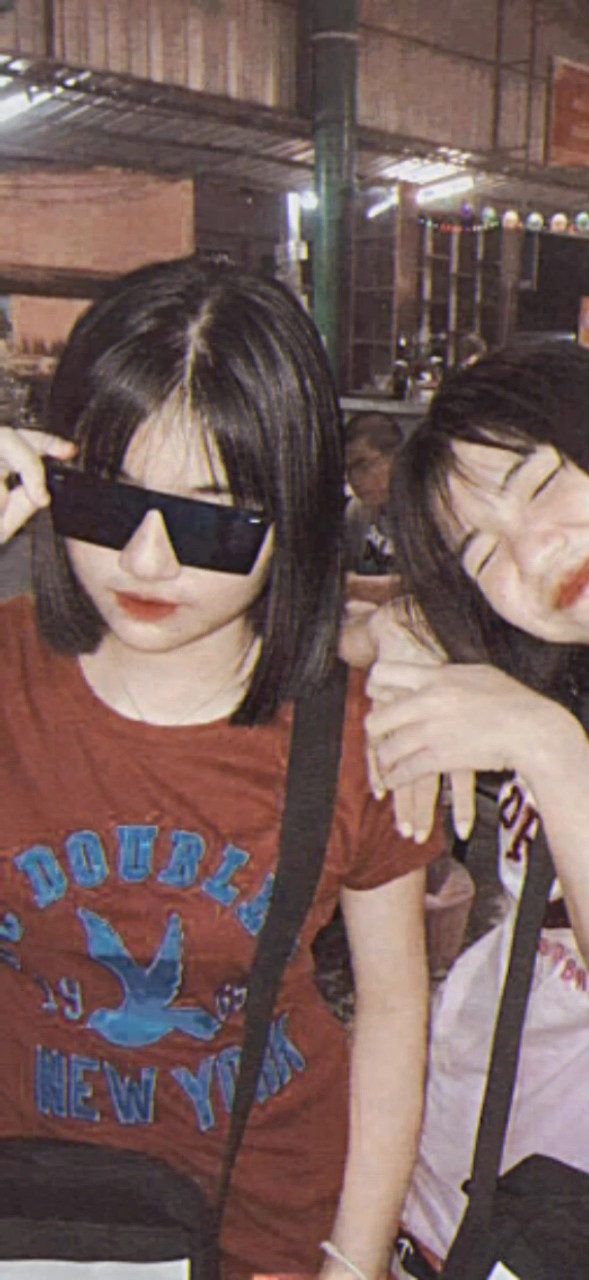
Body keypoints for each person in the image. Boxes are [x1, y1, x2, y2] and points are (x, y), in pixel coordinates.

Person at [0, 257, 439, 1280]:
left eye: (211, 519)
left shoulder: (358, 725)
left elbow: (391, 1009)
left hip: (266, 1221)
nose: (147, 562)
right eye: (106, 501)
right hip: (36, 1212)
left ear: (293, 517)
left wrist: (354, 1258)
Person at [365, 341, 589, 1264]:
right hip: (442, 1199)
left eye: (541, 483)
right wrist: (399, 631)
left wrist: (553, 759)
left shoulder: (563, 727)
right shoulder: (582, 680)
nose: (534, 550)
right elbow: (338, 629)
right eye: (483, 552)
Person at [344, 412, 402, 607]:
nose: (354, 480)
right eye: (348, 470)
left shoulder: (426, 512)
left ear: (396, 459)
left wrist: (355, 586)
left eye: (363, 466)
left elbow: (430, 588)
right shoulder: (357, 512)